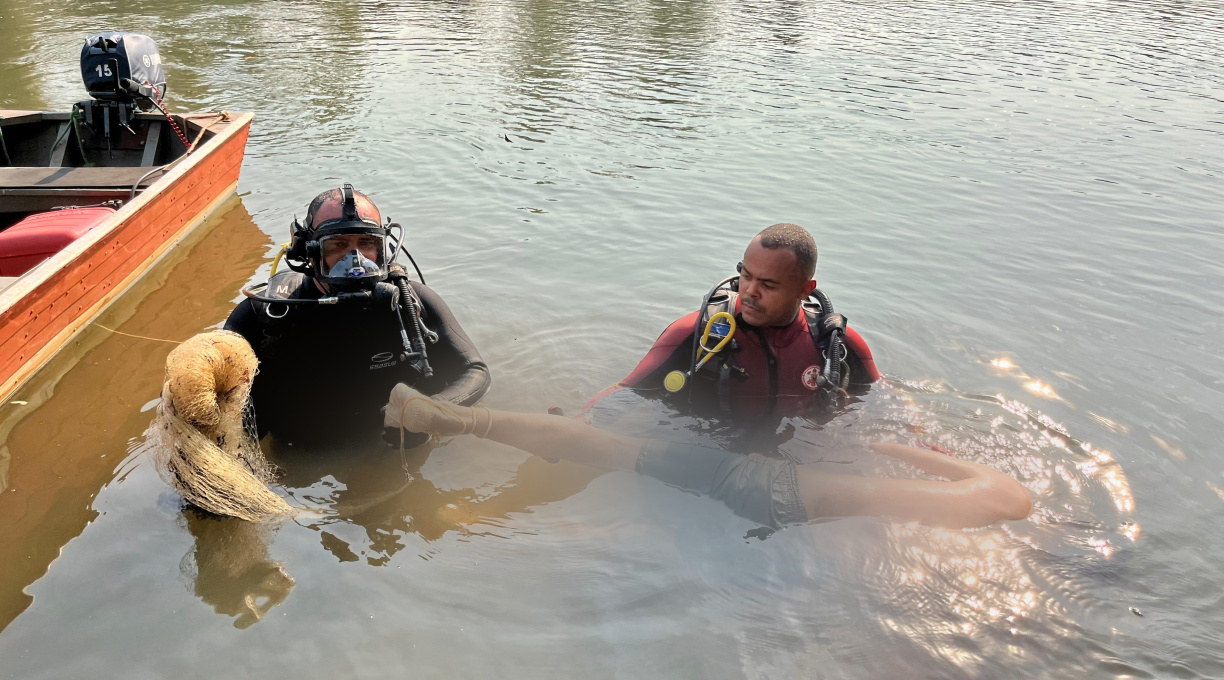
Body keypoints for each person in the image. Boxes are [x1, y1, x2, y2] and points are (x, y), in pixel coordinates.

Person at [385, 385, 1032, 530]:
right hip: (777, 501)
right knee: (610, 454)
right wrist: (893, 450)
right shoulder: (990, 511)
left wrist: (899, 449)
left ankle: (464, 420)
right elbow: (1006, 499)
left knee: (607, 450)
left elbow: (1001, 493)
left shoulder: (999, 496)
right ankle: (468, 512)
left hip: (758, 480)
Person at [224, 184, 490, 447]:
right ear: (308, 251)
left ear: (382, 249)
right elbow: (216, 397)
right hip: (300, 455)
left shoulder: (411, 302)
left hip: (386, 449)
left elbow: (475, 372)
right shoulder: (265, 314)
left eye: (366, 243)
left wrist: (431, 411)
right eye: (337, 244)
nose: (355, 260)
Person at [590, 223, 879, 420]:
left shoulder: (836, 344)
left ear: (805, 289)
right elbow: (625, 395)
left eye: (768, 284)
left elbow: (885, 404)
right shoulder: (695, 333)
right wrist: (579, 426)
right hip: (701, 460)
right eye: (746, 275)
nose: (750, 291)